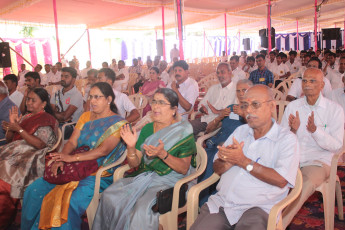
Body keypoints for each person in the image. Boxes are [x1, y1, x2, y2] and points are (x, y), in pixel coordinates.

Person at [190, 85, 299, 230]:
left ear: (272, 106)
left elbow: (281, 180)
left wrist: (243, 161)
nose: (248, 110)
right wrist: (226, 163)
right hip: (223, 204)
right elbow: (216, 167)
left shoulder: (286, 139)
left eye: (255, 104)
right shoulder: (240, 131)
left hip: (257, 208)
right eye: (245, 105)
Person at [21, 82, 128, 230]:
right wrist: (61, 158)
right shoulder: (85, 117)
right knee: (33, 190)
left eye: (97, 97)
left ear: (109, 99)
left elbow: (103, 151)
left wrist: (71, 158)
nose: (92, 101)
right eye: (91, 97)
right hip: (73, 166)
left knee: (68, 201)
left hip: (98, 171)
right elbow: (72, 142)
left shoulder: (118, 123)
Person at [92, 88, 196, 230]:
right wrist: (131, 147)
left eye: (162, 103)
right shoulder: (147, 129)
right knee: (109, 196)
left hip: (171, 181)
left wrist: (163, 154)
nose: (156, 106)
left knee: (141, 210)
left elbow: (184, 168)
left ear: (174, 109)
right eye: (154, 101)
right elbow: (135, 163)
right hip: (145, 176)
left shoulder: (183, 131)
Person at [281, 68, 344, 228]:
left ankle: (277, 224)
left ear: (322, 85)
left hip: (318, 161)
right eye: (305, 80)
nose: (307, 84)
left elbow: (337, 144)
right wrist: (293, 130)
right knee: (265, 176)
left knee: (304, 183)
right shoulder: (293, 107)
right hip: (292, 159)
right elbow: (280, 140)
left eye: (312, 81)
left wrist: (316, 131)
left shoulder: (334, 110)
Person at [0, 88, 58, 228]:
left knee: (4, 181)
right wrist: (11, 127)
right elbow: (10, 140)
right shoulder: (26, 116)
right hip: (16, 151)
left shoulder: (46, 119)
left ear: (43, 103)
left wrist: (18, 128)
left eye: (33, 100)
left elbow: (39, 144)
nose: (29, 103)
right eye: (28, 99)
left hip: (32, 157)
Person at [198, 79, 252, 206]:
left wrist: (244, 115)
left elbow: (255, 132)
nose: (241, 93)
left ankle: (207, 200)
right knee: (206, 156)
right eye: (238, 90)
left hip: (235, 148)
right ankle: (202, 199)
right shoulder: (231, 108)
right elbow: (209, 129)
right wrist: (220, 116)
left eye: (244, 90)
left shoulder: (254, 112)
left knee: (214, 159)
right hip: (216, 143)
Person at [190, 62, 237, 138]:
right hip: (206, 120)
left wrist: (220, 112)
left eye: (222, 72)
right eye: (218, 73)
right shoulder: (213, 88)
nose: (220, 75)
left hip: (222, 124)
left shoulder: (237, 90)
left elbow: (237, 115)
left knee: (188, 132)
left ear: (230, 72)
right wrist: (202, 109)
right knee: (184, 130)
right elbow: (201, 104)